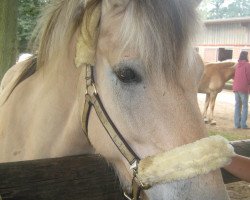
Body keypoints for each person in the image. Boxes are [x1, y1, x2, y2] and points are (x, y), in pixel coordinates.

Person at [232, 51, 250, 129]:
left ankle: (236, 125)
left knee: (237, 106)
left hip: (236, 88)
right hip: (244, 88)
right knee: (245, 106)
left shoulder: (237, 65)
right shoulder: (247, 65)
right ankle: (243, 125)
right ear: (246, 56)